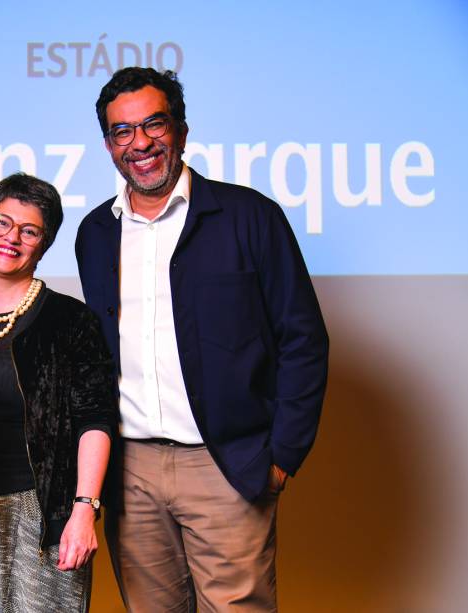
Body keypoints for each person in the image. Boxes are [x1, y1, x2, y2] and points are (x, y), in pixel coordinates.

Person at [75, 67, 330, 612]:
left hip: (227, 465)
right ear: (108, 145)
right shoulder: (95, 233)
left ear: (182, 132)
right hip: (131, 472)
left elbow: (303, 338)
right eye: (123, 131)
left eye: (154, 125)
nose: (140, 143)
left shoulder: (249, 217)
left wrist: (282, 453)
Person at [0, 173, 118, 612]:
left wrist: (84, 509)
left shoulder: (71, 321)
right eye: (1, 222)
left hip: (41, 512)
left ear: (44, 244)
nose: (11, 237)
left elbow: (96, 419)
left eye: (29, 230)